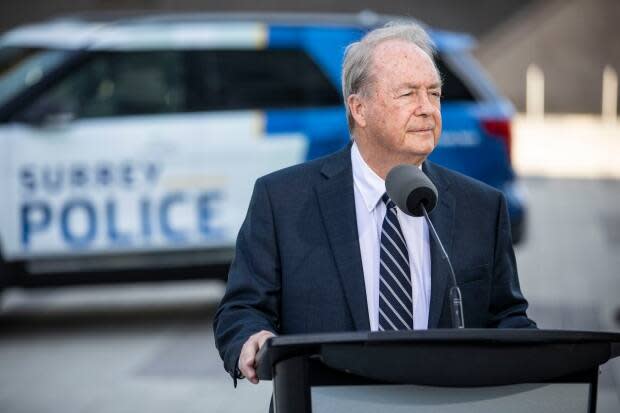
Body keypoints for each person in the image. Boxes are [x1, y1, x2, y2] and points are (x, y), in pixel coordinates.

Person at [213, 21, 536, 386]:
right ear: (359, 108)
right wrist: (250, 339)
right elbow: (241, 310)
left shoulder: (481, 207)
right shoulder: (283, 200)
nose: (427, 108)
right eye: (408, 94)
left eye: (434, 93)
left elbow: (507, 317)